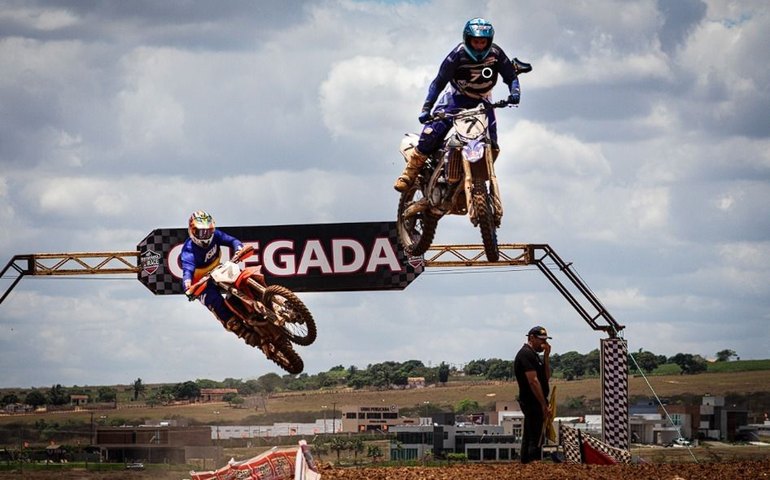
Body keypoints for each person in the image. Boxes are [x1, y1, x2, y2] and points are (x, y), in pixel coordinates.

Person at [394, 17, 529, 192]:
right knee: (432, 132)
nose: (479, 46)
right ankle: (409, 174)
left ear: (489, 41)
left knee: (493, 144)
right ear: (467, 39)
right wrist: (426, 108)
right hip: (456, 98)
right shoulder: (457, 55)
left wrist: (515, 93)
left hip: (483, 101)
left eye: (483, 42)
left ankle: (477, 178)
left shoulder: (496, 54)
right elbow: (438, 82)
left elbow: (511, 76)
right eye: (476, 41)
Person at [180, 210, 257, 345]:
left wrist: (239, 248)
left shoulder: (216, 235)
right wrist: (188, 286)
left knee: (242, 275)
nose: (206, 235)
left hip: (218, 269)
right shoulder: (188, 251)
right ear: (192, 231)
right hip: (201, 282)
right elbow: (187, 271)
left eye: (208, 231)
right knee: (215, 301)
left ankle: (265, 296)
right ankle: (242, 332)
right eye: (201, 232)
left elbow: (232, 240)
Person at [514, 326, 552, 463]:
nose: (543, 344)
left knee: (531, 433)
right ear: (531, 338)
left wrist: (546, 357)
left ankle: (526, 464)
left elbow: (546, 377)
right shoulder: (526, 354)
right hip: (532, 401)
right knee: (535, 437)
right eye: (541, 340)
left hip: (537, 400)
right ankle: (532, 463)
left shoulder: (535, 356)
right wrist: (543, 404)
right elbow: (533, 381)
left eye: (545, 340)